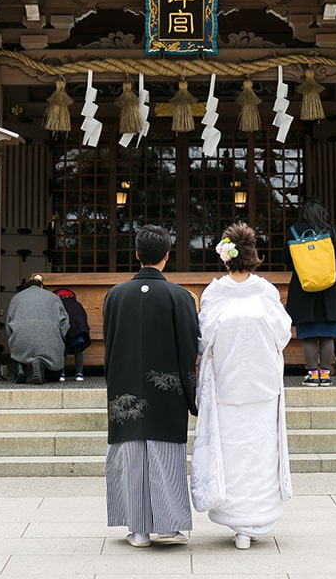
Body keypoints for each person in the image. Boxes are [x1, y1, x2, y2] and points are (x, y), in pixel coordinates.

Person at [190, 221, 292, 551]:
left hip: (227, 385)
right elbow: (282, 334)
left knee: (231, 453)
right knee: (260, 453)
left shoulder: (216, 294)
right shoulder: (265, 292)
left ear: (225, 257)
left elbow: (204, 339)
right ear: (253, 256)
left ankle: (237, 519)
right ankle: (254, 520)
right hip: (261, 388)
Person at [102, 224, 199, 549]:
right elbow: (189, 346)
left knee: (130, 456)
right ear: (167, 256)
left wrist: (113, 381)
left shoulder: (115, 295)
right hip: (166, 389)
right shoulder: (179, 296)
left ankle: (137, 529)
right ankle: (168, 527)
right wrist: (191, 392)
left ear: (137, 254)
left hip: (125, 387)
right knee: (165, 456)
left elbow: (110, 343)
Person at [284, 197, 336, 386]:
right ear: (323, 213)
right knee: (327, 334)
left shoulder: (294, 231)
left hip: (304, 287)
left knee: (308, 335)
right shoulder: (331, 231)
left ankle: (312, 375)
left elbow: (287, 259)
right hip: (328, 287)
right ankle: (325, 375)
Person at [6, 273, 70, 384]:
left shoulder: (16, 298)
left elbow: (8, 322)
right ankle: (40, 362)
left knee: (20, 351)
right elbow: (65, 321)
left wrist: (12, 337)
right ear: (41, 286)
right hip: (49, 337)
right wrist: (60, 336)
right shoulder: (53, 297)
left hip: (21, 337)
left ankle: (20, 367)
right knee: (53, 374)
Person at [54, 288, 91, 382]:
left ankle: (61, 373)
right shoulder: (77, 304)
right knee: (78, 351)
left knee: (63, 351)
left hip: (64, 330)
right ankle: (79, 374)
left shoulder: (58, 304)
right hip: (78, 330)